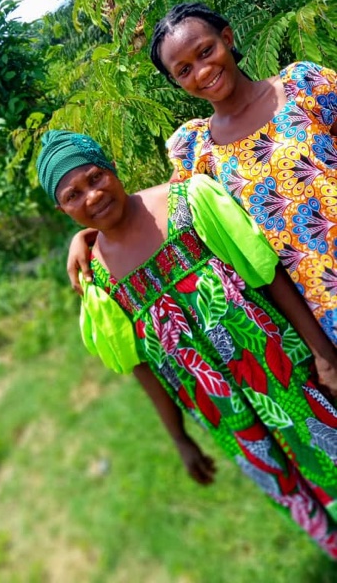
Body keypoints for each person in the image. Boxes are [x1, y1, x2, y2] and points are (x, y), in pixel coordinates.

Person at [37, 129, 337, 557]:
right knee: (283, 484)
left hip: (281, 372)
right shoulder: (97, 282)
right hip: (221, 411)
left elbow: (264, 272)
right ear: (61, 209)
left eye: (95, 177)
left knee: (329, 446)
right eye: (73, 195)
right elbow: (141, 367)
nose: (91, 196)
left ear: (113, 167)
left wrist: (323, 356)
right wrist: (179, 437)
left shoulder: (187, 204)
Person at [149, 2, 337, 346]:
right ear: (177, 82)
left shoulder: (301, 86)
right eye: (184, 70)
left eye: (206, 51)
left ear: (227, 37)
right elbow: (161, 215)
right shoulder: (198, 153)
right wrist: (88, 236)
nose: (203, 71)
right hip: (322, 307)